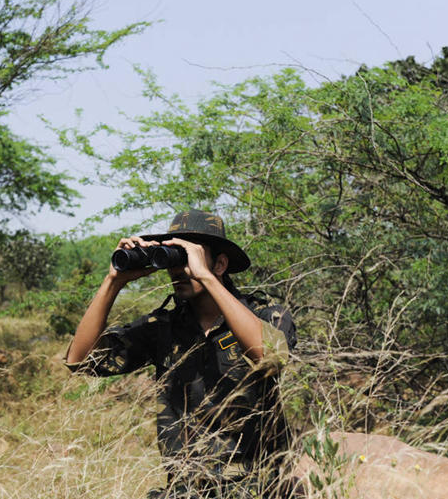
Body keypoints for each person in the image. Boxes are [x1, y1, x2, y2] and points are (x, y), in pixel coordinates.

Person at [65, 210, 297, 498]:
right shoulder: (164, 328)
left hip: (259, 486)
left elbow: (270, 355)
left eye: (186, 256)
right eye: (172, 257)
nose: (177, 269)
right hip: (187, 488)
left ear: (220, 263)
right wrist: (114, 281)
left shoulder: (265, 315)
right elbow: (81, 361)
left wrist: (206, 276)